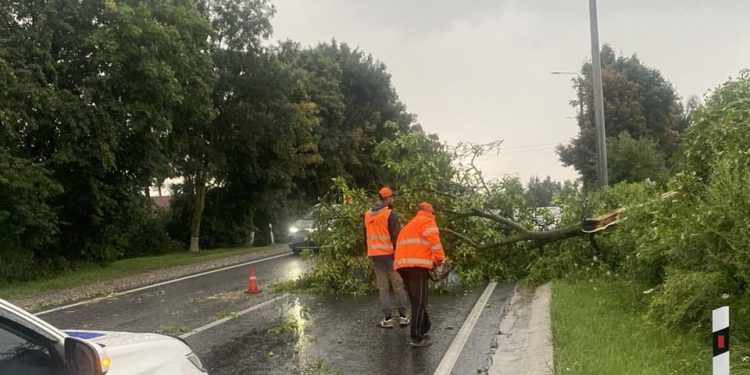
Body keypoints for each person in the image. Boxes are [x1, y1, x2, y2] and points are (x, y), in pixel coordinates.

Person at [394, 202, 446, 348]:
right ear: (431, 212)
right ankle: (416, 337)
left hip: (402, 266)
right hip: (417, 266)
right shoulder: (427, 221)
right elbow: (435, 243)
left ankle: (424, 326)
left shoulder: (410, 225)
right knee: (420, 301)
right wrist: (440, 260)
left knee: (416, 299)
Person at [364, 187, 410, 328]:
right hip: (391, 255)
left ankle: (387, 319)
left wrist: (369, 251)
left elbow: (365, 236)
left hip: (376, 257)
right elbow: (396, 237)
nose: (393, 200)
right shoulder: (390, 214)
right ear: (388, 198)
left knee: (383, 288)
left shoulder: (367, 215)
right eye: (392, 198)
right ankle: (403, 316)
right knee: (398, 286)